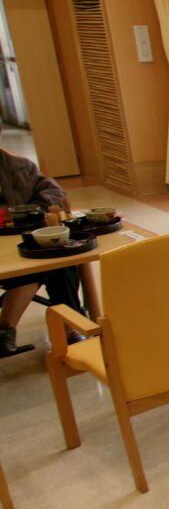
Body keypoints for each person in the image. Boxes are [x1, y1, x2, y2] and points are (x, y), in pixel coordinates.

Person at [0, 128, 84, 358]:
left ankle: (70, 328)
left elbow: (53, 192)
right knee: (33, 267)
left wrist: (28, 210)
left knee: (59, 259)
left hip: (21, 243)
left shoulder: (14, 165)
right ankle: (6, 331)